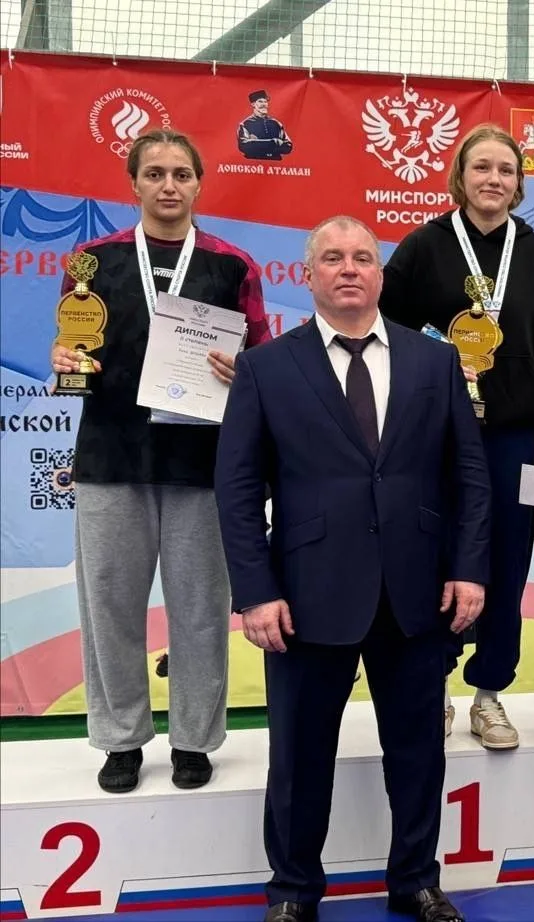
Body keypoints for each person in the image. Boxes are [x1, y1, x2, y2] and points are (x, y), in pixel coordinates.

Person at [215, 216, 490, 922]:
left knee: (418, 753)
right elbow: (238, 489)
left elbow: (469, 475)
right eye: (333, 258)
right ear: (308, 275)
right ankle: (292, 891)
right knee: (299, 757)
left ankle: (417, 882)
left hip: (417, 591)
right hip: (306, 596)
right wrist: (255, 592)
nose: (348, 269)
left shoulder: (435, 364)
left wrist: (469, 569)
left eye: (362, 258)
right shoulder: (265, 368)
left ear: (380, 275)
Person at [50, 128, 270, 795]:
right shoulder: (92, 262)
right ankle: (120, 738)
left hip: (201, 462)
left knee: (200, 608)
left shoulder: (233, 265)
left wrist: (244, 370)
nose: (168, 186)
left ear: (199, 183)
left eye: (180, 174)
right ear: (134, 183)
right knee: (110, 606)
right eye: (154, 174)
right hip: (110, 458)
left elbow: (266, 361)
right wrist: (64, 360)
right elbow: (75, 346)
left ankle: (194, 738)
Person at [381, 124, 534, 750]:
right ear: (460, 177)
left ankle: (489, 693)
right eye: (482, 167)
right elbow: (385, 333)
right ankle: (436, 686)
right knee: (437, 557)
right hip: (436, 436)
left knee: (506, 561)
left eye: (505, 170)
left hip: (514, 436)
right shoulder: (423, 247)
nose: (493, 179)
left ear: (519, 183)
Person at [237, 90, 294, 161]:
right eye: (260, 101)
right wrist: (274, 143)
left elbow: (288, 146)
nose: (264, 104)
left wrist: (256, 143)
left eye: (265, 102)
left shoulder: (276, 123)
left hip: (275, 163)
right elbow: (244, 146)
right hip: (253, 163)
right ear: (253, 104)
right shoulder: (245, 124)